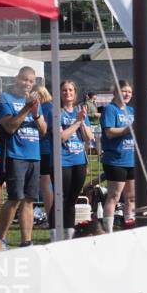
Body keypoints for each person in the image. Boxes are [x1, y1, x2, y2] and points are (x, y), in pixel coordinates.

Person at [0, 66, 47, 247]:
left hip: (34, 155)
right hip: (15, 155)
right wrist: (26, 107)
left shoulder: (34, 101)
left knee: (29, 200)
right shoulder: (4, 99)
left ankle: (27, 241)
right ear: (17, 78)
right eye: (24, 79)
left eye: (31, 81)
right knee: (15, 198)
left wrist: (36, 113)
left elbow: (43, 131)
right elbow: (9, 126)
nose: (27, 84)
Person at [54, 80, 93, 235]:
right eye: (64, 90)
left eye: (70, 90)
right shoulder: (58, 112)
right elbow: (61, 137)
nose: (67, 93)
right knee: (61, 199)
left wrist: (82, 122)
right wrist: (77, 122)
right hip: (64, 160)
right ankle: (56, 231)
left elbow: (89, 137)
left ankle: (69, 234)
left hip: (79, 161)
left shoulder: (80, 110)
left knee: (72, 200)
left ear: (75, 93)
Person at [100, 79, 135, 233]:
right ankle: (108, 230)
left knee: (131, 197)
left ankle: (129, 226)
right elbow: (109, 132)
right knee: (114, 195)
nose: (127, 94)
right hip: (115, 159)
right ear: (115, 93)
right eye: (124, 91)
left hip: (131, 158)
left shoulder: (132, 111)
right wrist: (128, 129)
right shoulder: (110, 109)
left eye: (129, 91)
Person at [37, 85, 56, 226]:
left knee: (46, 185)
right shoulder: (52, 106)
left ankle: (51, 218)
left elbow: (43, 129)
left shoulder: (44, 107)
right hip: (51, 150)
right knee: (51, 185)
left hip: (45, 150)